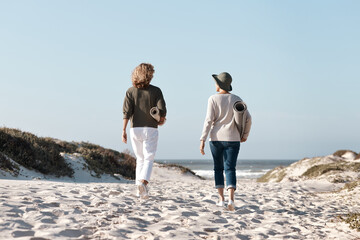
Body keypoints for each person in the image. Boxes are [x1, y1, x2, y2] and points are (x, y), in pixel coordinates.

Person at [200, 72, 251, 211]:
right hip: (233, 139)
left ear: (219, 85)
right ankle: (231, 200)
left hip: (216, 139)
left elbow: (208, 120)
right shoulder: (237, 99)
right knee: (230, 169)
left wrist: (202, 139)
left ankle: (221, 199)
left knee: (218, 168)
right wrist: (245, 135)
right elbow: (248, 119)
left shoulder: (212, 99)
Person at [122, 63, 167, 199]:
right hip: (150, 128)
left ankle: (139, 190)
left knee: (140, 159)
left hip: (134, 129)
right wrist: (161, 119)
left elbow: (126, 112)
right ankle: (143, 183)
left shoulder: (130, 91)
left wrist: (123, 130)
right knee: (149, 158)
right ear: (149, 75)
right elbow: (162, 110)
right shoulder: (156, 91)